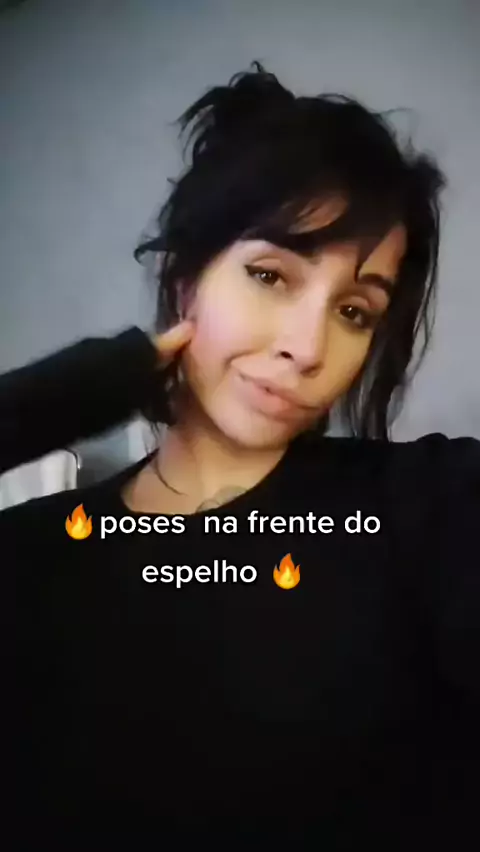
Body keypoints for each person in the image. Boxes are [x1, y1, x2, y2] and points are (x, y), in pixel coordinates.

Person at [2, 61, 479, 850]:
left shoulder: (428, 508)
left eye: (354, 311)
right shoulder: (26, 556)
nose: (307, 347)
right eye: (269, 275)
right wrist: (79, 388)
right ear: (185, 279)